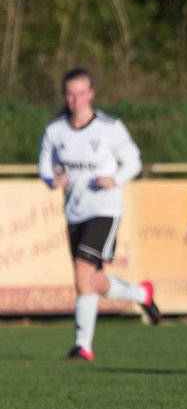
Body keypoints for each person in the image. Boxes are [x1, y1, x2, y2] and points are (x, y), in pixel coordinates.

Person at [37, 67, 162, 361]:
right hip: (74, 211)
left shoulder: (109, 127)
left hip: (105, 209)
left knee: (83, 272)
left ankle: (83, 346)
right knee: (90, 280)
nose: (75, 99)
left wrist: (115, 179)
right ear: (64, 96)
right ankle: (141, 294)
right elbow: (45, 165)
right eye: (70, 94)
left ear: (91, 93)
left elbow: (133, 160)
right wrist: (51, 179)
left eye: (81, 93)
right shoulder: (55, 131)